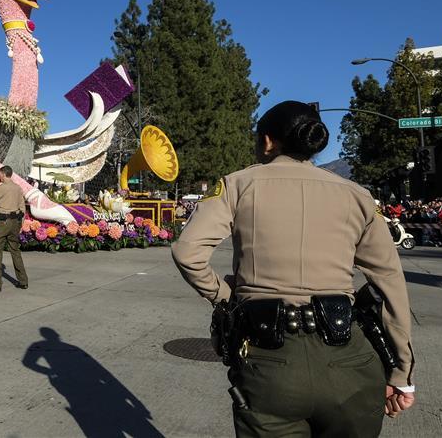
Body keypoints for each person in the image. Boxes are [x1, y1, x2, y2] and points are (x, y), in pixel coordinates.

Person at [172, 101, 415, 437]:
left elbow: (188, 252)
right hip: (349, 358)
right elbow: (390, 284)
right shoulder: (357, 195)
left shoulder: (237, 184)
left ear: (269, 141)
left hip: (269, 360)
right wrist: (400, 372)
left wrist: (226, 295)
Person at [0, 165, 28, 291]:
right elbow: (22, 207)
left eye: (0, 174)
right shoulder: (17, 188)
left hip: (3, 222)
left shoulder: (2, 188)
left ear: (3, 174)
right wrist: (21, 223)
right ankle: (23, 281)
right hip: (15, 221)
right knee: (15, 250)